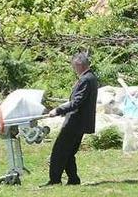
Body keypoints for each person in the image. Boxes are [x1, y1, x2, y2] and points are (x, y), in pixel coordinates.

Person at [42, 52, 98, 187]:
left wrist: (58, 110)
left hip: (76, 121)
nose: (73, 69)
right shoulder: (91, 78)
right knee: (69, 152)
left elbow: (77, 102)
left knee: (59, 151)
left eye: (74, 66)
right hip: (80, 122)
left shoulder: (85, 79)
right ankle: (73, 179)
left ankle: (55, 180)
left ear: (79, 65)